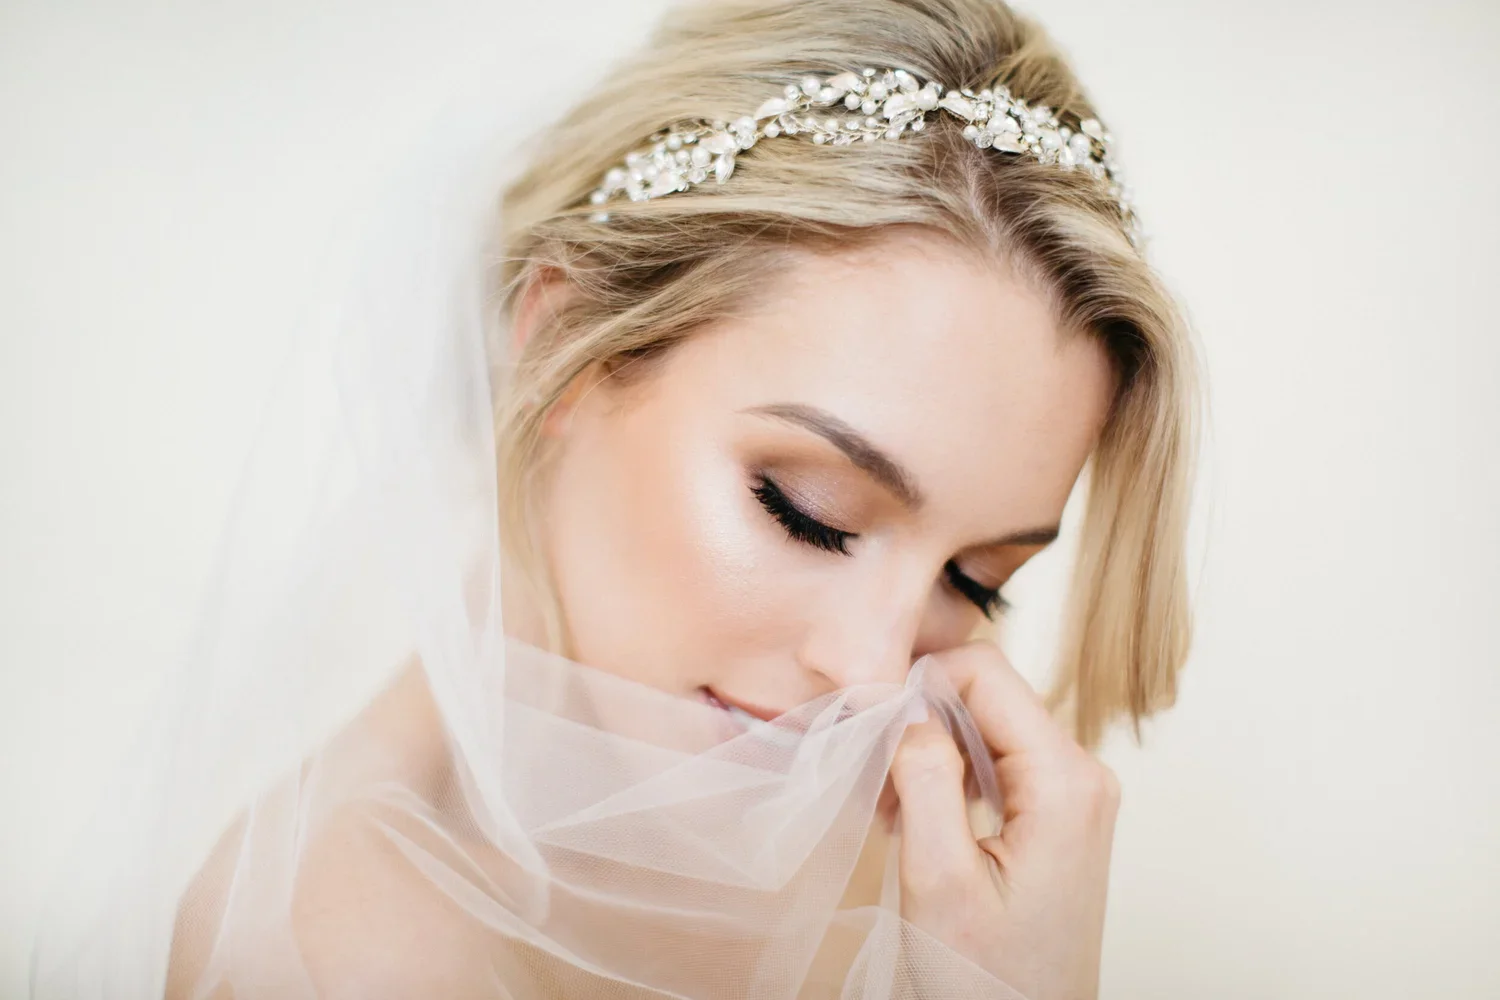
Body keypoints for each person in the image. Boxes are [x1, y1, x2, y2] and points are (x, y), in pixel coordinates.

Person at [31, 0, 1197, 997]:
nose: (880, 676)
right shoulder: (327, 954)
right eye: (807, 509)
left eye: (976, 582)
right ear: (567, 343)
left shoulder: (965, 866)